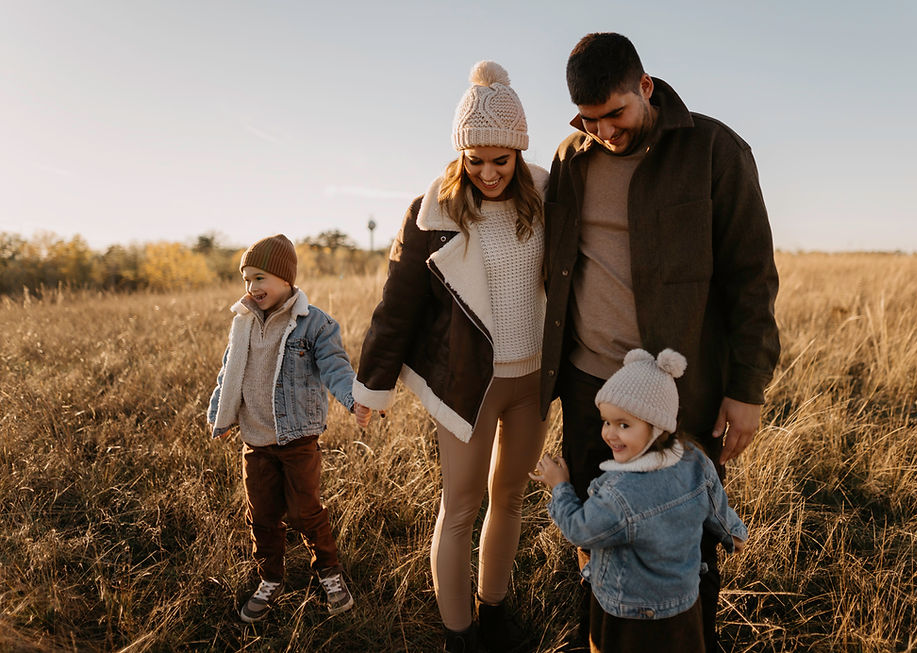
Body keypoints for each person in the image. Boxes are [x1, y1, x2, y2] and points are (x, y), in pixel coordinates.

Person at [539, 32, 780, 649]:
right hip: (590, 386)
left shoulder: (714, 150)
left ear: (646, 87)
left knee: (686, 542)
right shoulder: (572, 160)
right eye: (589, 121)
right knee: (597, 539)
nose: (605, 132)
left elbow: (751, 278)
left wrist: (746, 388)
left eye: (615, 114)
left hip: (681, 390)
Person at [353, 61, 549, 653]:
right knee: (462, 505)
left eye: (501, 159)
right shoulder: (432, 214)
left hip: (532, 381)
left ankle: (494, 610)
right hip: (469, 384)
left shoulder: (545, 196)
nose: (488, 173)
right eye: (475, 160)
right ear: (460, 154)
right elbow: (398, 307)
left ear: (518, 152)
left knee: (510, 497)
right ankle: (458, 633)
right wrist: (371, 387)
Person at [530, 349, 747, 653]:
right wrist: (733, 533)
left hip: (628, 616)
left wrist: (560, 487)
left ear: (657, 425)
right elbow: (717, 506)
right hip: (683, 607)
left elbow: (581, 530)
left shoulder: (618, 493)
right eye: (606, 421)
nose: (609, 434)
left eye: (624, 425)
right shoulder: (695, 459)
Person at [207, 234, 371, 623]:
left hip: (298, 439)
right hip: (256, 440)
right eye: (247, 279)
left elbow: (335, 367)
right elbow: (228, 373)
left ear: (286, 279)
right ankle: (270, 578)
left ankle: (329, 572)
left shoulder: (313, 324)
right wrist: (220, 413)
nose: (252, 287)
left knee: (304, 511)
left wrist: (354, 399)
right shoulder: (243, 322)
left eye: (260, 278)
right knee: (262, 514)